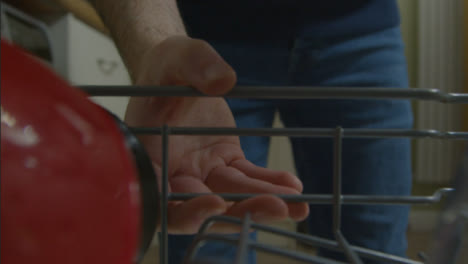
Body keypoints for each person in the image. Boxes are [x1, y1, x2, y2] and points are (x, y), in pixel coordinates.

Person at [92, 1, 413, 263]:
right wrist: (158, 43)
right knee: (208, 244)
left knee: (374, 250)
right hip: (202, 48)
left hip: (361, 31)